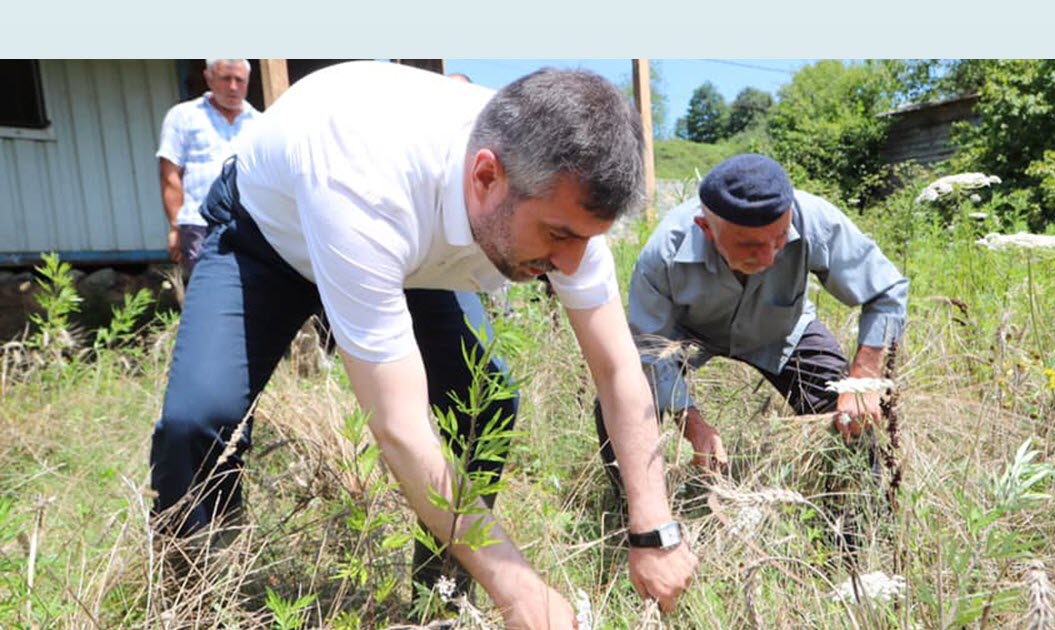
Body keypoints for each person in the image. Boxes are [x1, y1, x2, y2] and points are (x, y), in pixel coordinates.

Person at [148, 61, 696, 629]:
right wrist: (523, 589)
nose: (571, 264)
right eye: (558, 236)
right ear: (486, 177)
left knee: (482, 402)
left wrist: (653, 527)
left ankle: (442, 599)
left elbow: (617, 369)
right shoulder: (365, 177)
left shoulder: (557, 185)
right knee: (196, 421)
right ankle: (196, 600)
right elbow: (400, 427)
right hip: (266, 242)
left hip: (408, 260)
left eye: (585, 240)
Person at [596, 153, 909, 485]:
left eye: (779, 239)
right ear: (706, 229)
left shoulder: (813, 218)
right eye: (750, 246)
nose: (769, 258)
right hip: (689, 334)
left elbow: (887, 291)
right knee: (620, 398)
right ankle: (643, 512)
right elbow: (648, 348)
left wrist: (863, 379)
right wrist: (692, 424)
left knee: (850, 411)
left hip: (783, 329)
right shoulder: (663, 253)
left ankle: (855, 522)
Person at [156, 59, 259, 279]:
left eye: (239, 80)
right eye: (225, 78)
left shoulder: (259, 123)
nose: (233, 87)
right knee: (205, 287)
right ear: (209, 78)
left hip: (248, 224)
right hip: (199, 224)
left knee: (249, 288)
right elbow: (169, 174)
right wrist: (175, 226)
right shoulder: (183, 116)